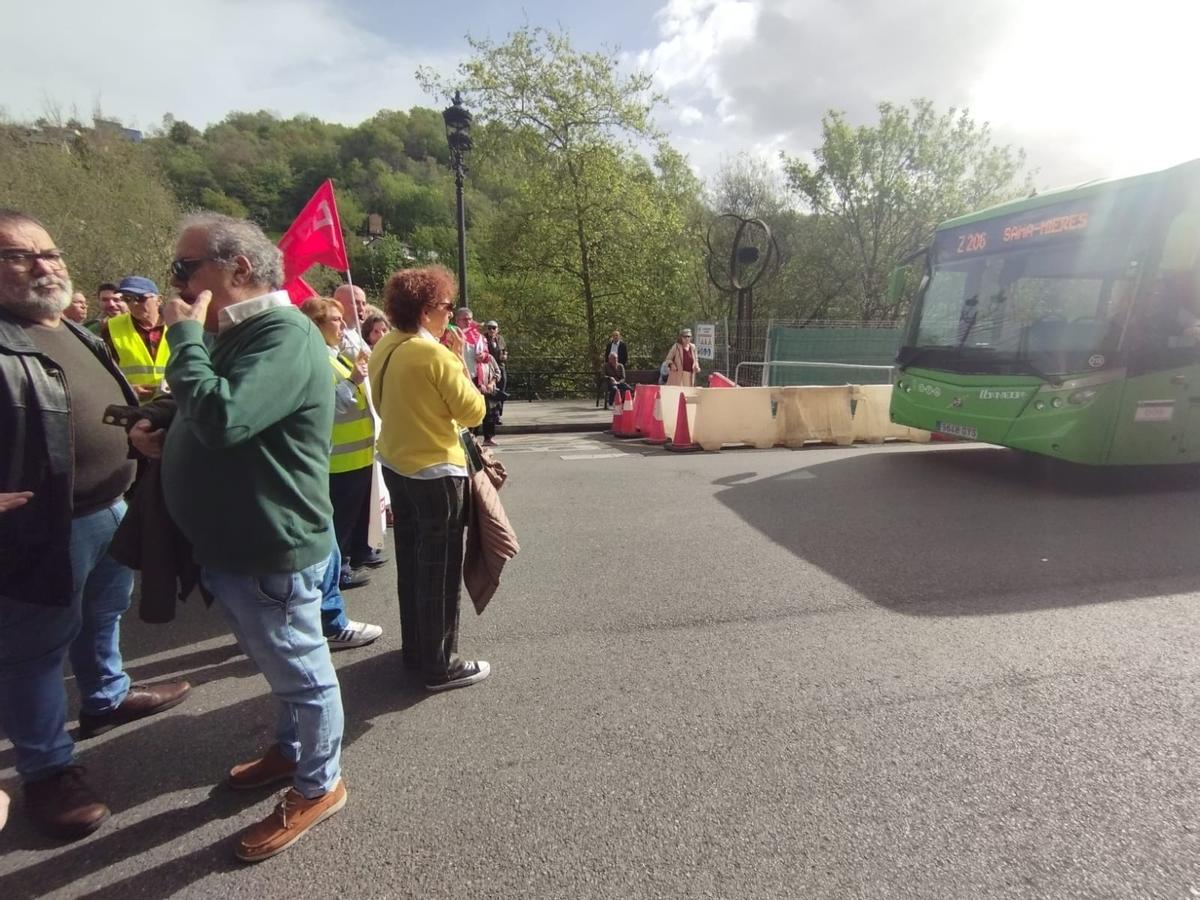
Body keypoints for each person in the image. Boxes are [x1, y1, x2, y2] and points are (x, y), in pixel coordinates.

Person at [149, 212, 347, 862]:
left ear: (238, 269)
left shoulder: (281, 334)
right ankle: (292, 754)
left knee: (301, 673)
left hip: (269, 546)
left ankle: (319, 786)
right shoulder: (245, 332)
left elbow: (226, 418)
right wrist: (165, 429)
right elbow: (214, 411)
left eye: (185, 268)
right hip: (246, 545)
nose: (174, 281)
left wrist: (181, 338)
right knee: (282, 666)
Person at [0, 209, 190, 840]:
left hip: (112, 503)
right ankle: (47, 770)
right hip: (42, 525)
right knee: (35, 649)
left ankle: (105, 698)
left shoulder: (76, 332)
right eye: (21, 257)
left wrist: (140, 428)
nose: (45, 266)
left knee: (105, 613)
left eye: (49, 253)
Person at [369, 265, 490, 692]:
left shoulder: (385, 345)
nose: (449, 314)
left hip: (397, 466)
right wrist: (458, 359)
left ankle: (417, 649)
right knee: (439, 572)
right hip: (436, 472)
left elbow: (381, 404)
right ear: (424, 312)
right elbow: (474, 411)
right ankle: (441, 663)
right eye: (444, 307)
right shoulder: (435, 354)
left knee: (413, 564)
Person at [299, 297, 388, 588]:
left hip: (359, 454)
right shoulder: (316, 358)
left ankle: (355, 555)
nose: (342, 325)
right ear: (317, 325)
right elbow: (330, 405)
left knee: (356, 514)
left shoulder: (337, 354)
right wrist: (351, 381)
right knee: (340, 520)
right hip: (339, 458)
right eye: (335, 320)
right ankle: (338, 571)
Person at [100, 275, 169, 403]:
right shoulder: (110, 328)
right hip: (132, 408)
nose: (134, 303)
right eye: (127, 299)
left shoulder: (177, 324)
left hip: (174, 408)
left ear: (158, 300)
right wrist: (127, 389)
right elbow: (101, 374)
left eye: (140, 298)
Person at [333, 283, 370, 358]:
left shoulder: (358, 334)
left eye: (363, 304)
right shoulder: (329, 332)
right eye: (355, 302)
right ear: (337, 303)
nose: (362, 308)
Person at [484, 319, 508, 418]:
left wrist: (505, 355)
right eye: (489, 328)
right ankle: (494, 414)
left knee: (501, 390)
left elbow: (505, 349)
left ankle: (499, 412)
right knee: (491, 392)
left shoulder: (500, 339)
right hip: (489, 369)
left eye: (494, 328)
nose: (491, 330)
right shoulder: (483, 339)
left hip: (500, 367)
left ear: (497, 329)